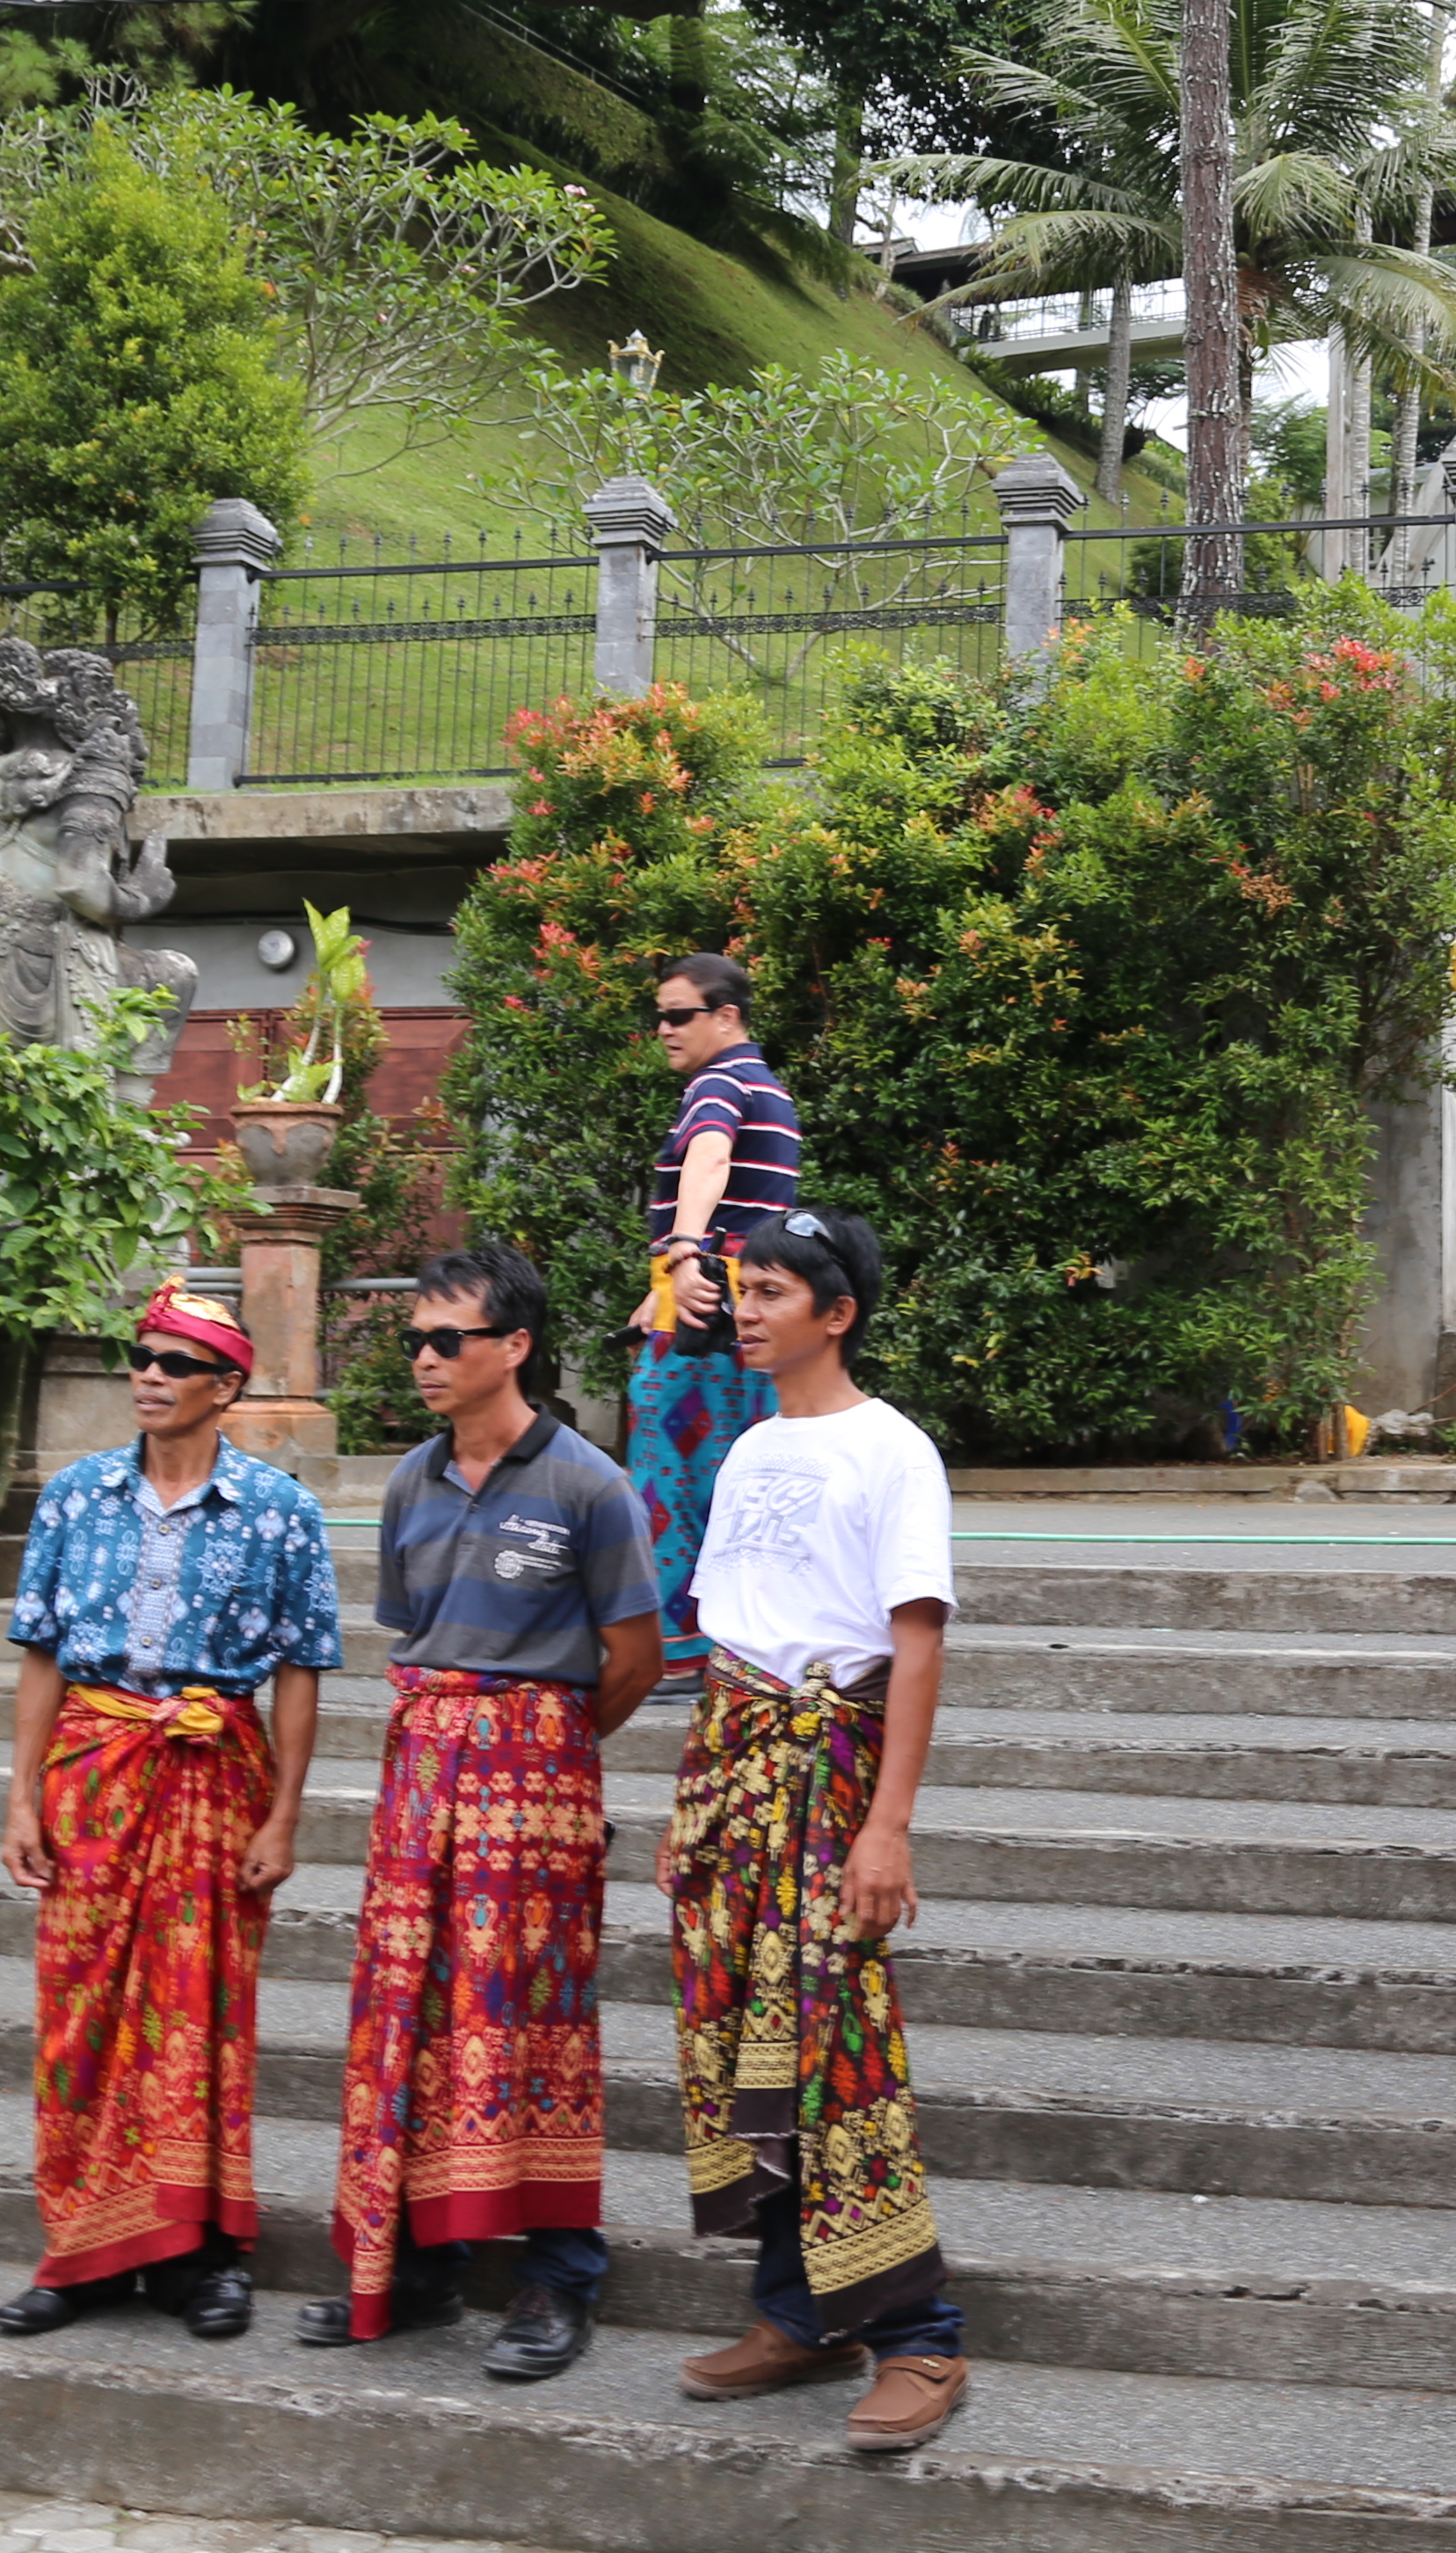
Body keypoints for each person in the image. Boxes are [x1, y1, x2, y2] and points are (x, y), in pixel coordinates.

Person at [302, 1243, 663, 2377]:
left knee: (536, 2017)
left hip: (538, 1772)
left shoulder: (589, 1486)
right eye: (414, 1338)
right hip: (421, 1773)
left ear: (513, 1347)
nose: (422, 1357)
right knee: (409, 2010)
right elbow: (415, 1630)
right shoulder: (409, 1482)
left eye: (445, 1339)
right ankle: (414, 2264)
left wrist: (539, 1753)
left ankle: (560, 2276)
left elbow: (637, 1658)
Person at [663, 1206, 969, 2455]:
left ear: (836, 1314)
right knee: (746, 2049)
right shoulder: (750, 1449)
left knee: (840, 2045)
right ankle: (798, 2312)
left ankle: (920, 2336)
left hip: (826, 1768)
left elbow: (918, 1641)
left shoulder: (893, 1450)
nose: (747, 1308)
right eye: (743, 1287)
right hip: (729, 1768)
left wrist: (886, 1826)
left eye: (774, 1290)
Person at [0, 1282, 343, 2343]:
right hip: (92, 1772)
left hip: (210, 1776)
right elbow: (42, 1653)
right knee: (81, 2013)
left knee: (202, 2015)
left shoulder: (281, 1509)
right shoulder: (75, 1495)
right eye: (141, 1357)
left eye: (175, 1363)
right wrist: (20, 1794)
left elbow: (299, 1672)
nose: (148, 1375)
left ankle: (202, 2254)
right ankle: (83, 2252)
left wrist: (283, 1816)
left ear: (226, 1387)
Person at [631, 952, 804, 1683]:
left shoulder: (719, 1083)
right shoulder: (772, 1090)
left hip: (705, 1308)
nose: (663, 1029)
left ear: (726, 1016)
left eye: (679, 1015)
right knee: (738, 1481)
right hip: (755, 1309)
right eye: (659, 1016)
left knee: (667, 1480)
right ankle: (738, 1647)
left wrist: (681, 1254)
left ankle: (677, 1656)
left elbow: (709, 1163)